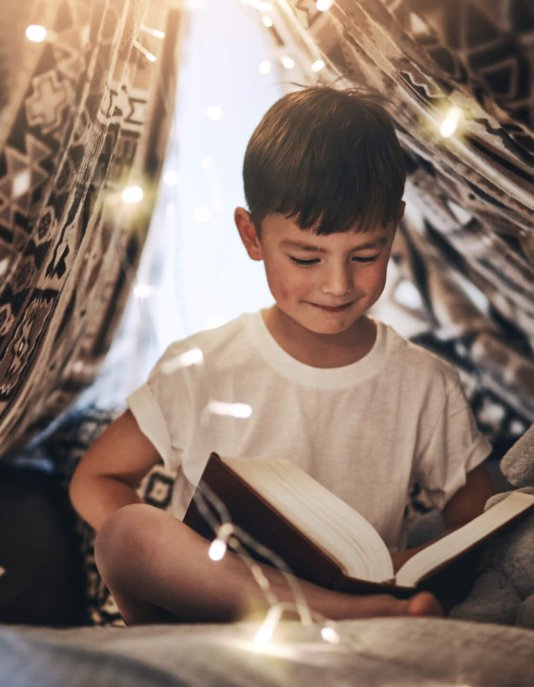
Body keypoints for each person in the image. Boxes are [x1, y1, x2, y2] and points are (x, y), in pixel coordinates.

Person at [69, 86, 494, 625]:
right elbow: (95, 477)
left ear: (395, 229)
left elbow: (476, 514)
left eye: (366, 254)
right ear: (252, 235)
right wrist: (183, 557)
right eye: (306, 257)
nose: (337, 284)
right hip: (221, 619)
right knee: (130, 533)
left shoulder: (424, 381)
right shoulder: (199, 367)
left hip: (365, 618)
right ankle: (338, 611)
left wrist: (410, 563)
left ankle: (342, 612)